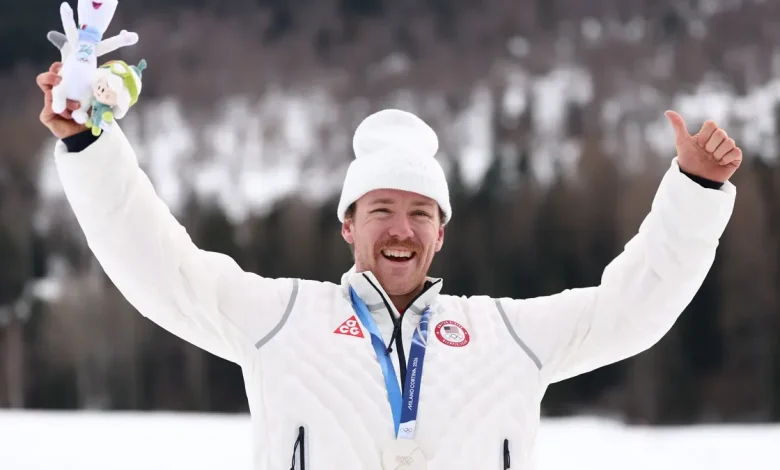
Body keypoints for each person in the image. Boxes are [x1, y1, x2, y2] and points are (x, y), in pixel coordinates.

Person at [37, 60, 740, 470]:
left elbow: (634, 310)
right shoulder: (283, 319)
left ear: (443, 234)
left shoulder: (508, 334)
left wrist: (695, 191)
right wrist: (92, 148)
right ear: (348, 224)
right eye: (380, 210)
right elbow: (160, 268)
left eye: (420, 213)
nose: (400, 230)